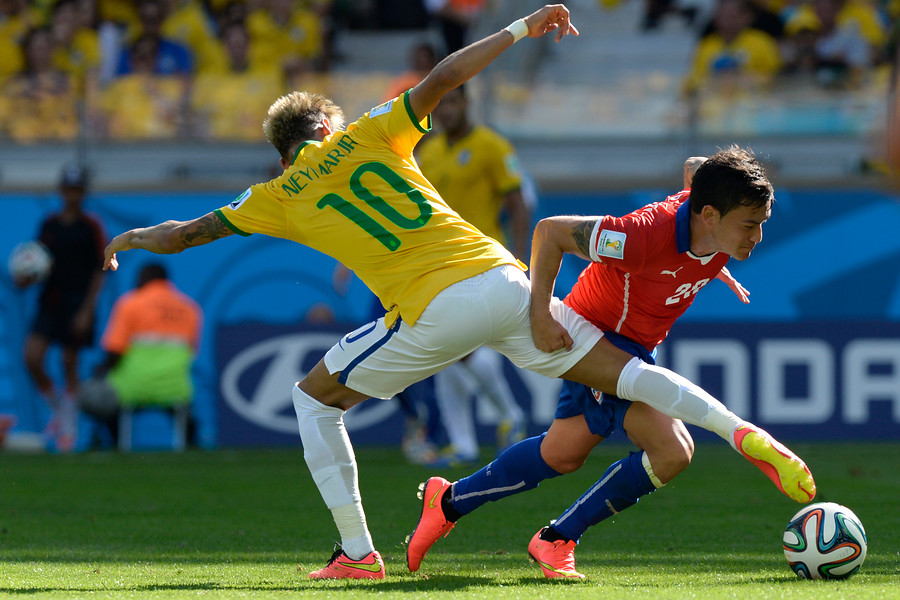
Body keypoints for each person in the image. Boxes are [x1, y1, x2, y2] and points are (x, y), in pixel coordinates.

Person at [102, 5, 813, 581]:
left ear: (283, 151)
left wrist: (131, 239)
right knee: (630, 375)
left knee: (312, 400)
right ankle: (742, 433)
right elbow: (443, 74)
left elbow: (186, 234)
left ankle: (357, 553)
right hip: (505, 281)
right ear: (330, 127)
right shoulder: (375, 131)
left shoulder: (278, 191)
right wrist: (520, 27)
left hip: (439, 308)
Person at [405, 148, 813, 578]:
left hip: (635, 346)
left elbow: (696, 166)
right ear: (708, 214)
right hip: (596, 341)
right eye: (749, 226)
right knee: (673, 451)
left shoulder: (711, 218)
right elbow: (550, 232)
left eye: (761, 225)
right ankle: (557, 538)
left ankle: (449, 500)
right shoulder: (641, 236)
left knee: (561, 454)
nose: (757, 237)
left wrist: (713, 260)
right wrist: (541, 314)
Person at [417, 85, 530, 465]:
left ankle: (509, 414)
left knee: (462, 350)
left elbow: (517, 203)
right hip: (440, 265)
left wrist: (521, 254)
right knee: (447, 352)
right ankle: (465, 443)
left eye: (451, 102)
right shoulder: (427, 152)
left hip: (483, 261)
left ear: (466, 103)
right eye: (439, 104)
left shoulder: (493, 146)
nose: (445, 111)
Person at [18, 163, 106, 452]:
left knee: (70, 362)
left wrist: (87, 310)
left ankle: (69, 431)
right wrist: (26, 278)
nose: (72, 195)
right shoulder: (50, 226)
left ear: (83, 193)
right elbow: (38, 263)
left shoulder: (90, 227)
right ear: (61, 191)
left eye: (77, 190)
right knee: (32, 357)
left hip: (77, 303)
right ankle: (59, 408)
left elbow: (99, 270)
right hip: (51, 302)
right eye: (68, 189)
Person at [81, 262, 201, 448]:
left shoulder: (130, 304)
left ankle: (112, 445)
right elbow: (191, 354)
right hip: (175, 388)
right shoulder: (190, 309)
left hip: (131, 388)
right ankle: (192, 448)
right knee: (187, 412)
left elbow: (114, 352)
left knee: (94, 393)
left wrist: (101, 371)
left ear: (145, 278)